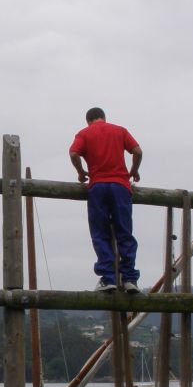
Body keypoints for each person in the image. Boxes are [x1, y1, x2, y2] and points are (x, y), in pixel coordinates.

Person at [69, 107, 143, 293]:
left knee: (100, 233)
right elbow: (138, 151)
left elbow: (73, 153)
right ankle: (129, 279)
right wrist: (133, 170)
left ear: (88, 121)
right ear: (104, 117)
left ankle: (108, 278)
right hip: (121, 187)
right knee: (125, 233)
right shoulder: (119, 131)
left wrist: (80, 172)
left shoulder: (84, 134)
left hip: (98, 187)